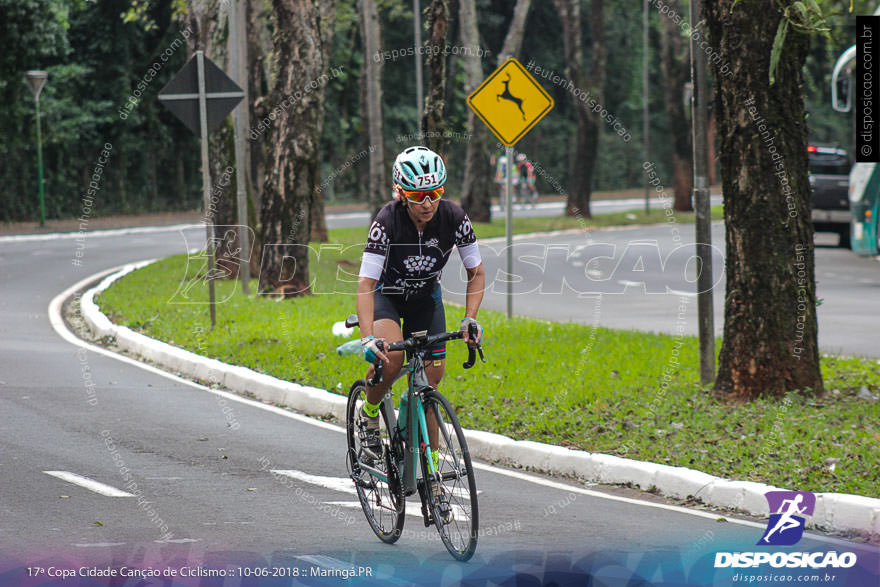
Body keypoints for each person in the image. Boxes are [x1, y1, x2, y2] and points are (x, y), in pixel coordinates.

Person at [356, 146, 485, 508]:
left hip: (426, 301)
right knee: (392, 360)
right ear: (401, 193)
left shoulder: (455, 218)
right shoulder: (386, 221)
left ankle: (432, 479)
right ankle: (368, 419)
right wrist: (368, 337)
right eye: (417, 196)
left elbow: (477, 272)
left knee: (430, 380)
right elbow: (366, 284)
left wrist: (471, 317)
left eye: (435, 194)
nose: (427, 203)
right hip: (388, 298)